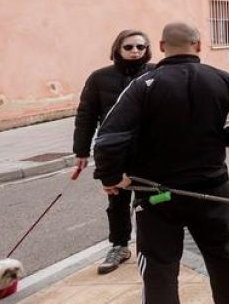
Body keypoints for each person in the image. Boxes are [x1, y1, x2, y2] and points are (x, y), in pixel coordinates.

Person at [93, 22, 229, 304]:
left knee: (159, 264)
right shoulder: (222, 79)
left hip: (158, 195)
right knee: (224, 253)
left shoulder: (143, 86)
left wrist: (111, 177)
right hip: (212, 190)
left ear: (161, 47)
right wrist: (222, 139)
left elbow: (109, 138)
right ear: (198, 45)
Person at [72, 29, 154, 275]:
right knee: (116, 200)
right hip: (114, 153)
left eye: (140, 46)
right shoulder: (99, 78)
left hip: (149, 151)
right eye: (129, 47)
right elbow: (85, 116)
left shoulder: (157, 73)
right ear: (117, 49)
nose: (135, 51)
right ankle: (119, 246)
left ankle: (153, 245)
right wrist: (81, 151)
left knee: (151, 200)